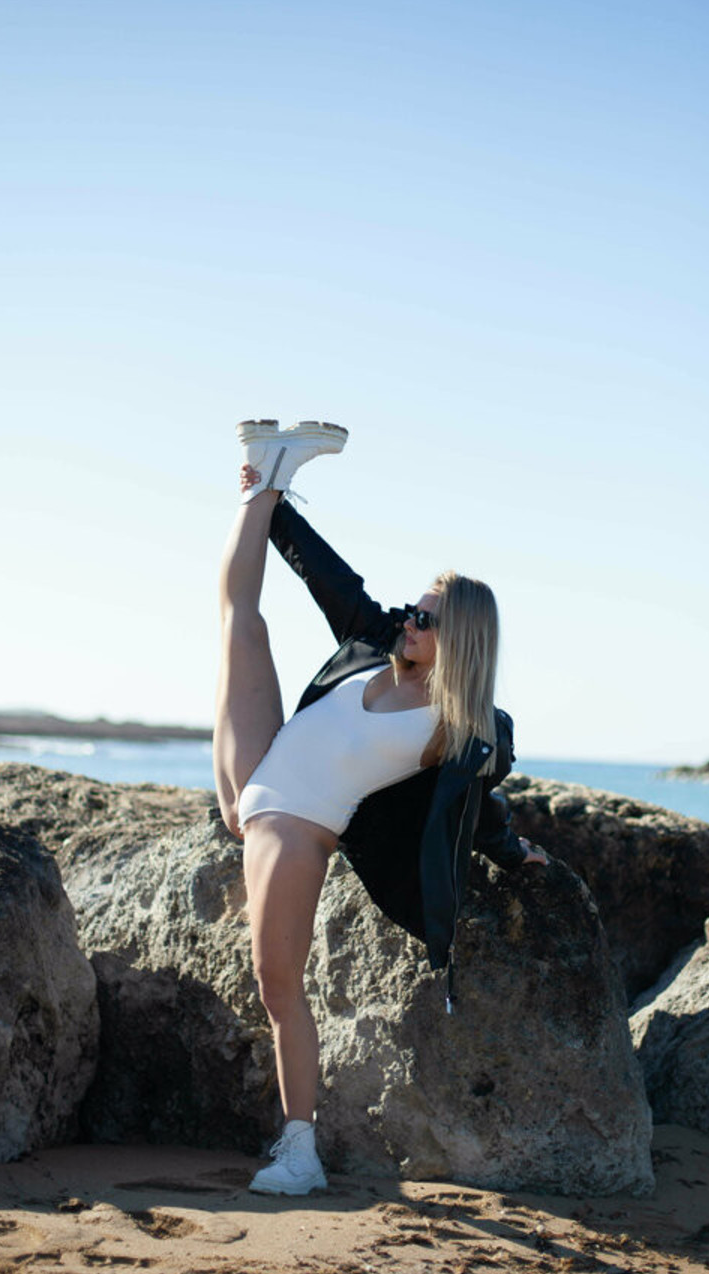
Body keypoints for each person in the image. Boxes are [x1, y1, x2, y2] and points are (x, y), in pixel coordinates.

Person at [214, 418, 548, 1196]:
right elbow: (324, 575)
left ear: (459, 641)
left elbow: (471, 806)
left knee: (276, 984)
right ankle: (268, 470)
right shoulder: (373, 641)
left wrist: (510, 849)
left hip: (296, 829)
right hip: (253, 777)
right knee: (240, 620)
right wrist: (274, 506)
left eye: (425, 619)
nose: (409, 620)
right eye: (412, 608)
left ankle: (300, 1152)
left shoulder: (459, 728)